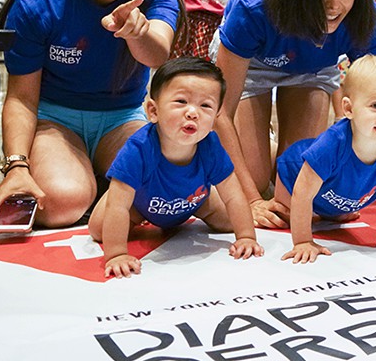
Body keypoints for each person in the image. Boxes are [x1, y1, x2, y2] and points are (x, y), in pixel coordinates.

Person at [0, 0, 185, 228]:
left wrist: (136, 33)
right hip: (55, 120)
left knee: (166, 192)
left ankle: (101, 181)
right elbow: (22, 98)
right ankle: (92, 181)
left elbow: (156, 53)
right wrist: (17, 167)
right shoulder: (39, 3)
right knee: (60, 204)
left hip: (123, 117)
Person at [212, 0, 376, 227]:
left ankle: (271, 152)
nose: (334, 5)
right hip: (253, 64)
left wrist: (347, 187)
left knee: (297, 181)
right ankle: (260, 147)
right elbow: (220, 111)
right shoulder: (253, 6)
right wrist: (251, 201)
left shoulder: (363, 13)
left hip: (313, 70)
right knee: (252, 177)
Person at [87, 57, 263, 278]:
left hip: (195, 199)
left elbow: (234, 196)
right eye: (181, 101)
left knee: (230, 220)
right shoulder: (139, 148)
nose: (192, 112)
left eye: (205, 105)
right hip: (139, 204)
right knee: (99, 228)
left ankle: (198, 209)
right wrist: (116, 254)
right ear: (153, 111)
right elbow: (119, 206)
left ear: (216, 117)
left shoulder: (211, 146)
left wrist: (246, 236)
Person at [274, 55, 376, 263]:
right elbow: (302, 191)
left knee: (333, 214)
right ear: (349, 109)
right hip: (293, 175)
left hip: (331, 195)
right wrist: (303, 241)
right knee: (289, 216)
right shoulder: (334, 142)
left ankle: (330, 212)